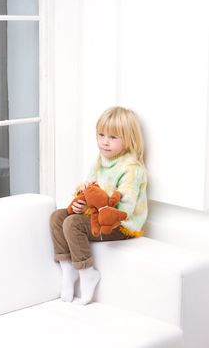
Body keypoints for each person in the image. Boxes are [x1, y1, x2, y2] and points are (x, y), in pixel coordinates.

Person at [50, 106, 148, 305]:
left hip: (119, 225)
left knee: (73, 224)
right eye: (101, 135)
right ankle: (67, 267)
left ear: (128, 139)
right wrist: (82, 199)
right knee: (57, 217)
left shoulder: (131, 168)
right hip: (97, 215)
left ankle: (87, 272)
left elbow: (125, 209)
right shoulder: (101, 160)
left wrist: (98, 202)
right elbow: (89, 187)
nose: (104, 141)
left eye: (113, 137)